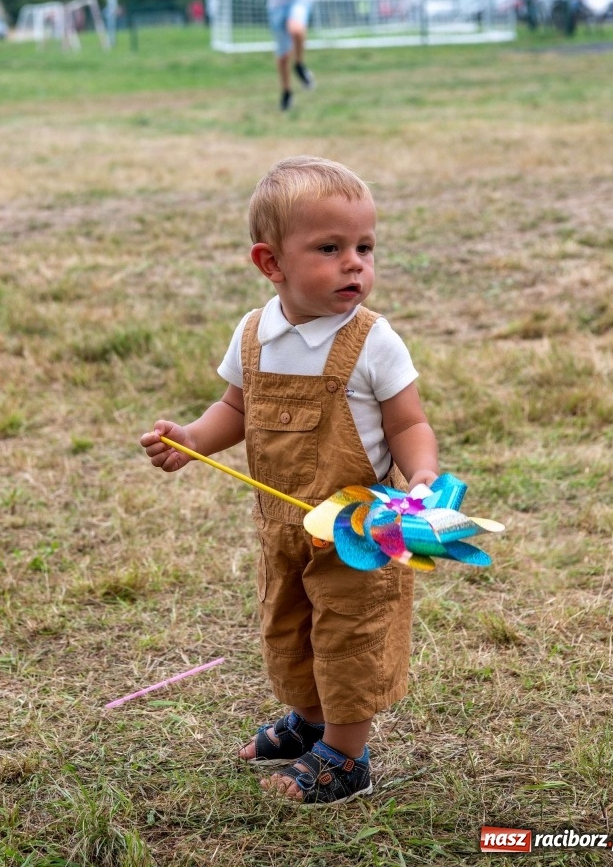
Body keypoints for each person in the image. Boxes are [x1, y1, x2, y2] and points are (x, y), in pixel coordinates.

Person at [141, 156, 439, 805]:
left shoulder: (373, 341)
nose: (355, 263)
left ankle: (346, 755)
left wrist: (422, 473)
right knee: (291, 629)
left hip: (357, 532)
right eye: (330, 249)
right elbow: (236, 410)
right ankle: (309, 721)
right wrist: (193, 440)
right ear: (270, 263)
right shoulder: (255, 335)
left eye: (364, 247)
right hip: (282, 530)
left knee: (349, 638)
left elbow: (409, 422)